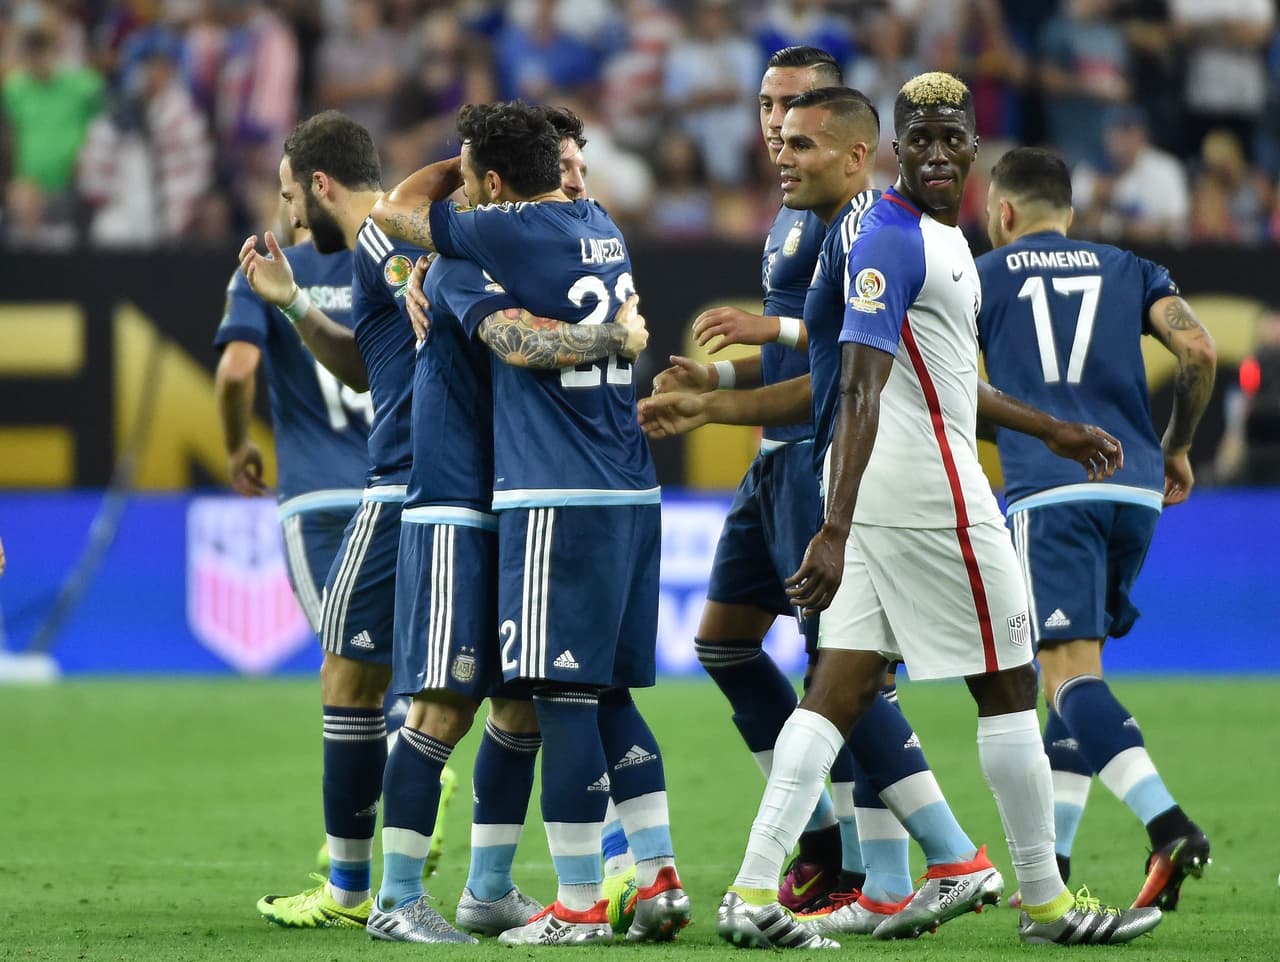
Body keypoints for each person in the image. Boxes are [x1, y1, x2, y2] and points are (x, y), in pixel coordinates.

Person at [713, 72, 1161, 948]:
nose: (940, 153)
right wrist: (833, 527)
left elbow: (946, 381)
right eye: (921, 140)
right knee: (1008, 686)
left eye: (954, 138)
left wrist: (1051, 428)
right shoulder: (892, 240)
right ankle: (1046, 904)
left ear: (974, 148)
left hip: (887, 492)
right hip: (928, 499)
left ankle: (752, 891)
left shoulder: (924, 237)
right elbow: (863, 385)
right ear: (894, 150)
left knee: (835, 688)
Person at [648, 47, 979, 934]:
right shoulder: (791, 217)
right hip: (776, 458)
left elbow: (842, 371)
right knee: (727, 646)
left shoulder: (864, 221)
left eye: (792, 111)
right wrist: (716, 389)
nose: (772, 127)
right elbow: (810, 354)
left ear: (843, 132)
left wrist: (735, 385)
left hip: (825, 461)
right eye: (765, 107)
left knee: (849, 668)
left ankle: (908, 863)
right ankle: (849, 852)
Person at [373, 100, 689, 946]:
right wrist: (609, 338)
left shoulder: (526, 235)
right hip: (460, 504)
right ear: (502, 183)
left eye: (584, 164)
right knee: (444, 705)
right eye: (564, 164)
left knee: (526, 706)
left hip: (531, 499)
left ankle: (488, 889)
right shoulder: (463, 257)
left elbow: (412, 215)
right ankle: (397, 896)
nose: (579, 177)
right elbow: (512, 335)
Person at [977, 145, 1216, 910]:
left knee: (1065, 674)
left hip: (1051, 493)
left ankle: (1168, 824)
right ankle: (1054, 861)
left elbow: (946, 380)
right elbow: (1200, 350)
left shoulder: (982, 277)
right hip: (1136, 489)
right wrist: (1176, 445)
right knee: (1080, 677)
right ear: (1070, 214)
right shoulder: (1129, 266)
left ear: (1003, 212)